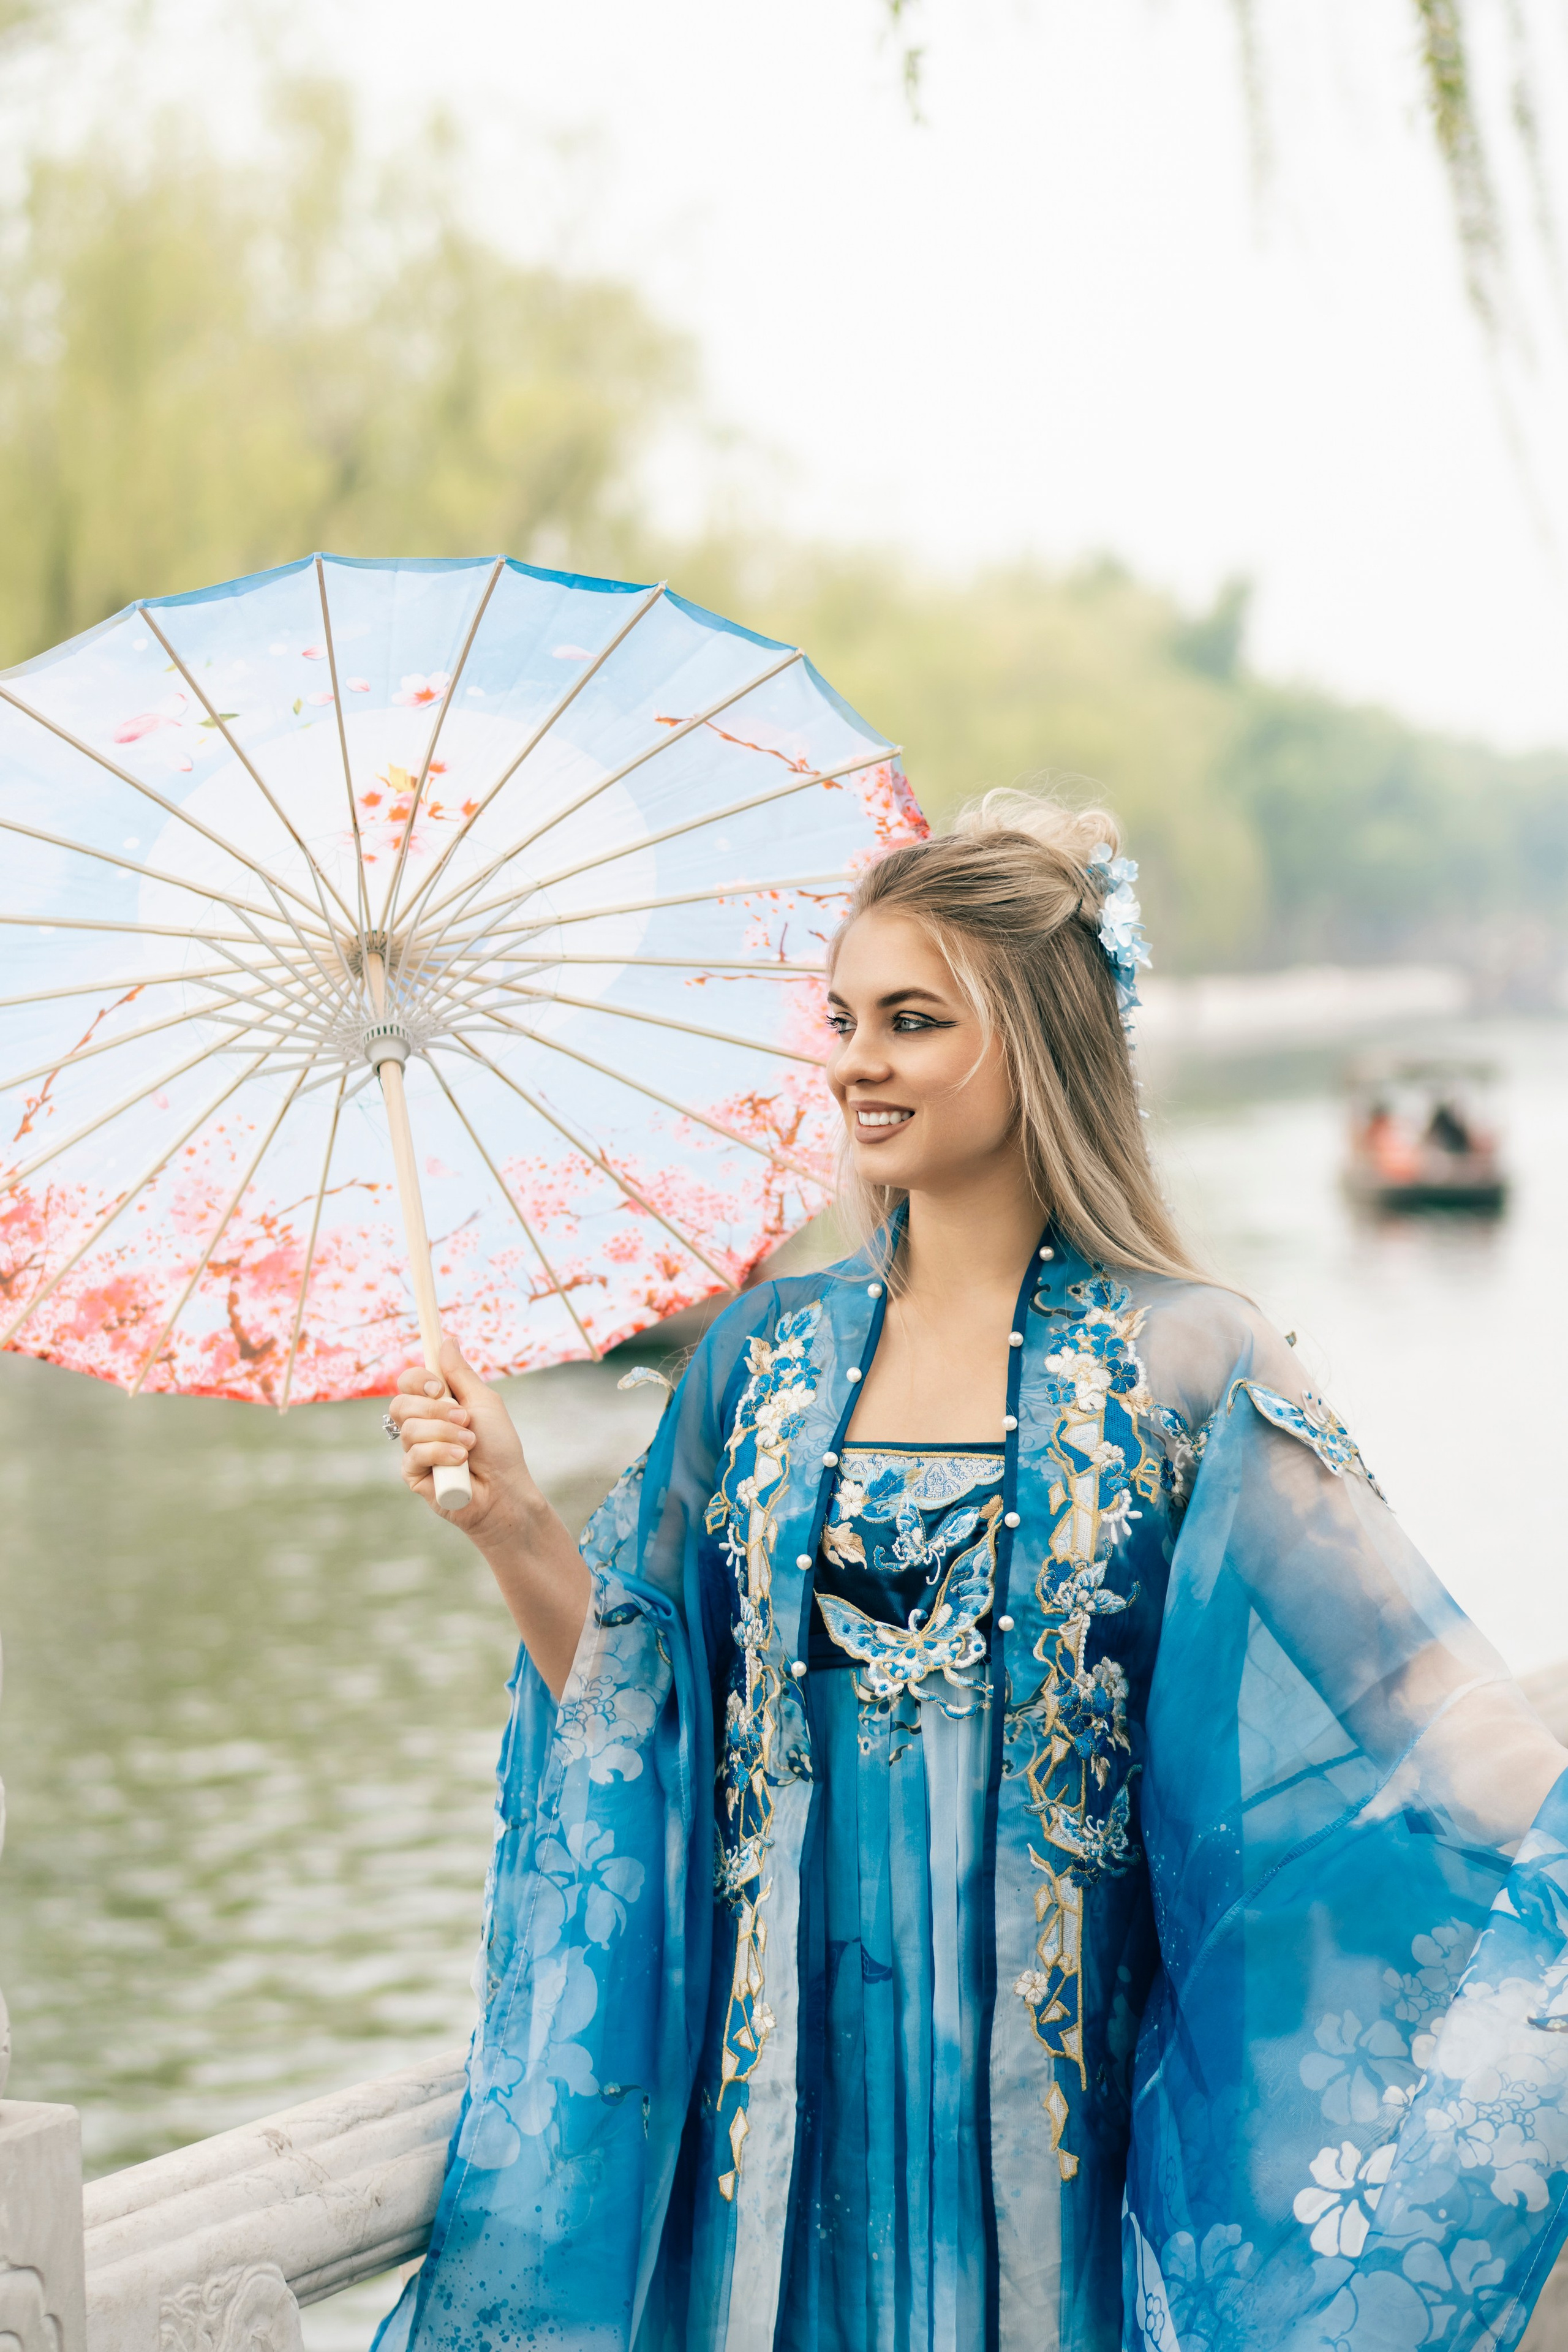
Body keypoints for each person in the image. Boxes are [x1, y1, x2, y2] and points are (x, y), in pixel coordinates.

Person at [377, 793, 1568, 2352]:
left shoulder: (1183, 1362)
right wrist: (512, 1521)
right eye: (843, 1019)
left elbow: (1415, 1704)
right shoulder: (757, 1363)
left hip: (1054, 2148)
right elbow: (635, 1699)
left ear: (1038, 1039)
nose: (854, 1062)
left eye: (911, 1021)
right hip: (775, 2142)